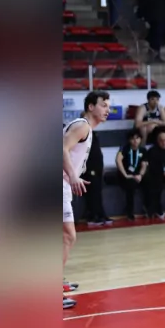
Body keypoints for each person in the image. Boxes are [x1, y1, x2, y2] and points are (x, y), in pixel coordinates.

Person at [62, 90, 110, 309]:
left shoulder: (87, 130)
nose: (107, 110)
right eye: (103, 105)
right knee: (67, 236)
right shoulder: (82, 125)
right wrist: (72, 175)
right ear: (91, 107)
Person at [116, 129, 148, 221]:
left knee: (149, 181)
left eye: (137, 138)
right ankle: (129, 212)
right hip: (126, 175)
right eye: (133, 139)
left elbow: (144, 164)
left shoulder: (143, 150)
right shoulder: (124, 148)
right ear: (129, 140)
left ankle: (149, 208)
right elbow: (118, 160)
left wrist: (140, 175)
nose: (135, 141)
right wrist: (125, 175)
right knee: (131, 185)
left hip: (138, 175)